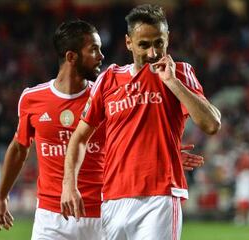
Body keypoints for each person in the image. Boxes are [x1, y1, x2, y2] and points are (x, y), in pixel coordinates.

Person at [0, 19, 204, 240]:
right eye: (94, 50)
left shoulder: (107, 96)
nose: (102, 56)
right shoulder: (32, 99)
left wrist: (163, 154)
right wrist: (1, 196)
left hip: (100, 214)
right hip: (51, 216)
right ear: (71, 57)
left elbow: (134, 138)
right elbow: (19, 149)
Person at [61, 4, 221, 240]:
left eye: (159, 42)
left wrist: (172, 82)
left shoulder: (180, 72)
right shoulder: (109, 78)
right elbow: (80, 137)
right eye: (144, 45)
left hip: (160, 196)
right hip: (113, 198)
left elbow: (211, 124)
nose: (153, 52)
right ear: (128, 43)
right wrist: (69, 185)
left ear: (168, 38)